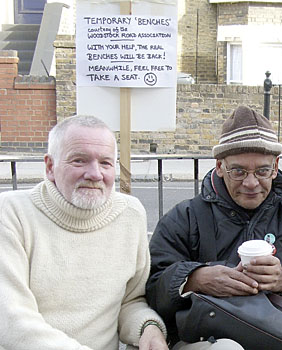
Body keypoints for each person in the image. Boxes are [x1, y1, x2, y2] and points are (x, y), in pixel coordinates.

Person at [146, 105, 282, 349]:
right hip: (208, 338)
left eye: (262, 171)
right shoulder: (186, 216)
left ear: (276, 166)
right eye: (237, 171)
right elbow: (152, 288)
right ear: (219, 166)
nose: (250, 183)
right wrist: (194, 279)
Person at [0, 115, 168, 350]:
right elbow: (12, 321)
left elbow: (130, 300)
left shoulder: (131, 214)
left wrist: (147, 328)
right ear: (50, 167)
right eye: (79, 161)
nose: (95, 174)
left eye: (106, 163)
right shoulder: (10, 213)